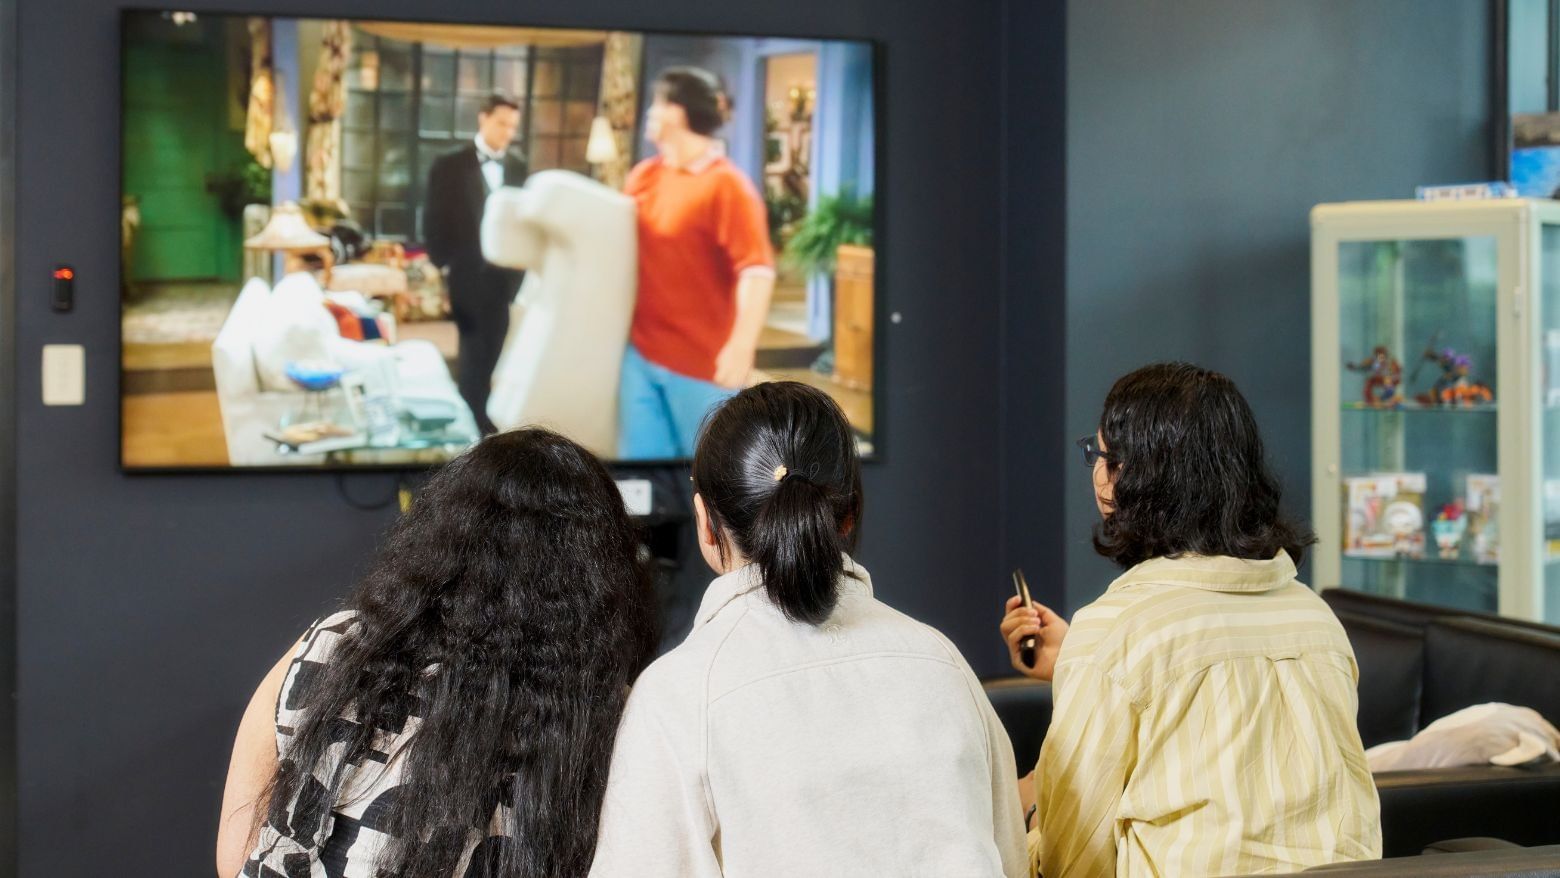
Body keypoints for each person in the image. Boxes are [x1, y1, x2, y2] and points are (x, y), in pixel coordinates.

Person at [591, 381, 1028, 877]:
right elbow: (1009, 861)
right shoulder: (944, 665)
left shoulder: (678, 697)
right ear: (850, 514)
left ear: (706, 525)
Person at [215, 429, 657, 877]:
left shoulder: (330, 641)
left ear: (438, 534)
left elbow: (236, 855)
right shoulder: (602, 710)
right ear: (598, 569)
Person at [998, 363, 1381, 877]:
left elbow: (1074, 859)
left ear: (1126, 480)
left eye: (1102, 455)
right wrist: (1078, 660)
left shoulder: (1118, 627)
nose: (1096, 471)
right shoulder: (1314, 617)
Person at [618, 67, 776, 460]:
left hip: (701, 366)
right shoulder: (643, 176)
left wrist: (741, 347)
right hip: (640, 356)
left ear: (677, 111)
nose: (649, 113)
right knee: (641, 485)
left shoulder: (728, 187)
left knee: (706, 481)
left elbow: (756, 271)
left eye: (657, 102)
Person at [426, 92, 529, 435]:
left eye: (513, 126)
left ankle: (483, 427)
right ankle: (474, 429)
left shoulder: (517, 165)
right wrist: (444, 263)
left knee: (495, 354)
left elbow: (523, 223)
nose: (507, 133)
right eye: (501, 123)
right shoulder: (449, 164)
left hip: (504, 281)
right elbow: (434, 218)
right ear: (483, 119)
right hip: (467, 275)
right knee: (472, 354)